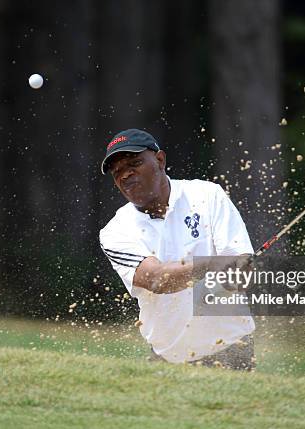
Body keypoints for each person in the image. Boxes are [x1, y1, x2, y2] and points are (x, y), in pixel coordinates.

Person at [99, 129, 255, 370]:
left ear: (160, 160)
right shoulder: (115, 231)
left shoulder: (207, 195)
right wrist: (211, 265)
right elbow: (155, 279)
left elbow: (239, 268)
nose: (125, 175)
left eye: (134, 163)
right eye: (117, 171)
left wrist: (240, 270)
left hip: (233, 350)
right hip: (168, 358)